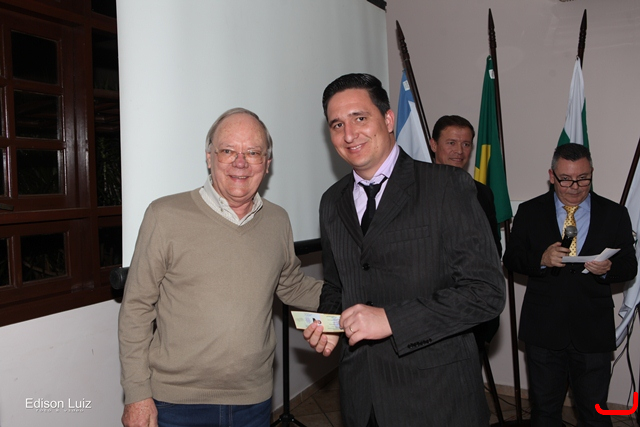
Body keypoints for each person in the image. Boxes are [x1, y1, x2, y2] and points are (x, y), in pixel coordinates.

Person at [303, 73, 506, 427]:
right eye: (337, 125)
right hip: (361, 396)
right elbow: (337, 285)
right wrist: (329, 322)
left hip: (436, 397)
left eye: (359, 118)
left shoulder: (446, 186)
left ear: (388, 119)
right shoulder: (331, 202)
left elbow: (485, 293)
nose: (349, 134)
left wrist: (391, 320)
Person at [118, 108, 323, 427]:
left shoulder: (278, 220)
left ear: (267, 163)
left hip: (253, 402)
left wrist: (357, 296)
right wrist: (136, 395)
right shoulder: (164, 216)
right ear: (209, 157)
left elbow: (291, 285)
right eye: (228, 151)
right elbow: (136, 309)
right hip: (176, 404)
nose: (240, 162)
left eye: (253, 152)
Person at [503, 143, 637, 427]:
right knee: (545, 413)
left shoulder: (614, 213)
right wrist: (541, 259)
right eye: (566, 179)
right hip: (543, 328)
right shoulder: (530, 211)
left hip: (593, 330)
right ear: (552, 175)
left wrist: (608, 269)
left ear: (592, 173)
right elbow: (511, 258)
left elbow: (630, 265)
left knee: (595, 413)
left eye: (583, 179)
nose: (574, 187)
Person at [429, 115, 502, 348]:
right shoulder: (415, 192)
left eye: (466, 144)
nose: (459, 151)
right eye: (451, 143)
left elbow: (493, 249)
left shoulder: (482, 193)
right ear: (433, 144)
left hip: (475, 311)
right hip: (430, 312)